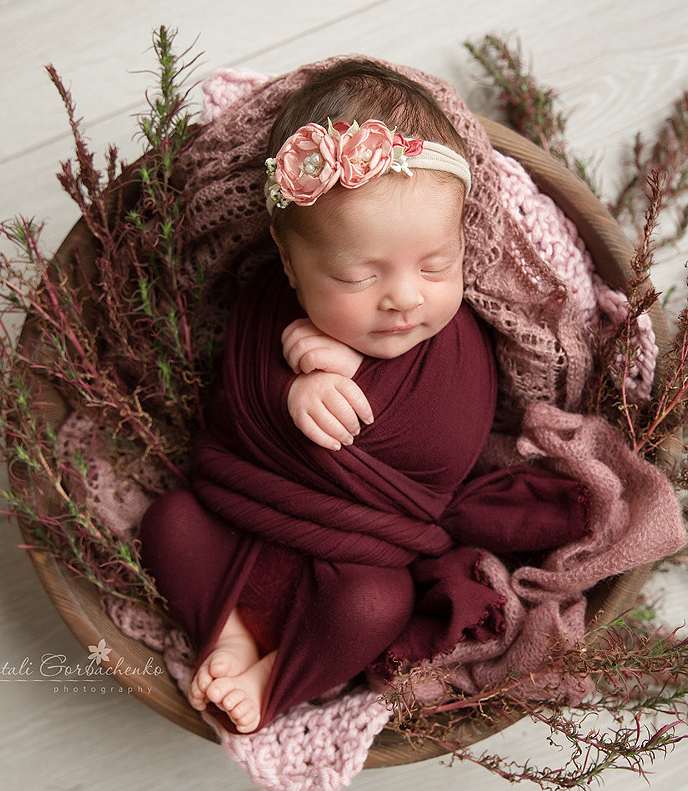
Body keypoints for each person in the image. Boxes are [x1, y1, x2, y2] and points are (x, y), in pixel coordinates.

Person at [138, 59, 590, 734]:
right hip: (237, 524)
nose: (405, 297)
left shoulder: (459, 344)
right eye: (356, 276)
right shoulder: (267, 303)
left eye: (435, 266)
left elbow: (448, 446)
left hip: (352, 567)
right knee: (169, 522)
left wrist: (357, 373)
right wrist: (289, 389)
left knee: (376, 606)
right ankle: (229, 633)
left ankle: (276, 678)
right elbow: (231, 406)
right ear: (291, 267)